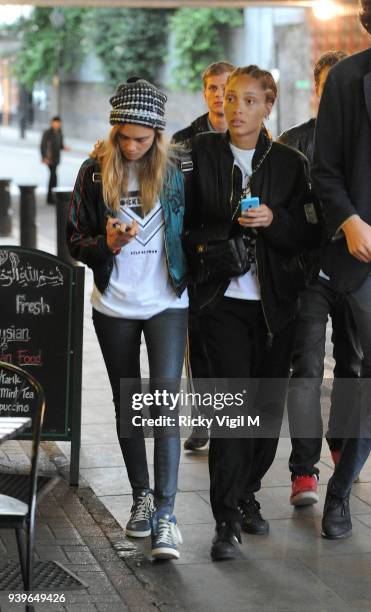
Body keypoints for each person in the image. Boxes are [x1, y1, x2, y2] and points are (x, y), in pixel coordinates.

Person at [186, 65, 320, 560]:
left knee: (263, 416)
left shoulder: (288, 162)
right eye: (230, 99)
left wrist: (274, 220)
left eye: (248, 101)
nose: (235, 108)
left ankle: (247, 495)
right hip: (220, 303)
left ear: (268, 106)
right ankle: (225, 520)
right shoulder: (201, 154)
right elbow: (186, 226)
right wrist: (220, 238)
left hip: (275, 307)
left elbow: (309, 233)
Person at [67, 78, 189, 559]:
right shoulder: (93, 172)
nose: (133, 147)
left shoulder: (178, 171)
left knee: (163, 404)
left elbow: (194, 228)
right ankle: (141, 497)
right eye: (125, 138)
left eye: (142, 139)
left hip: (166, 304)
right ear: (114, 132)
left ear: (158, 135)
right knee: (129, 405)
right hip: (113, 305)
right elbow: (75, 240)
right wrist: (107, 245)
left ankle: (166, 515)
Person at [278, 51, 363, 507]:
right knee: (306, 371)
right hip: (310, 274)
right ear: (317, 91)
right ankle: (304, 470)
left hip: (355, 272)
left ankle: (342, 448)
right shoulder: (293, 143)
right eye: (328, 88)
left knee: (351, 367)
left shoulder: (362, 140)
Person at [312, 0, 371, 539]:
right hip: (363, 258)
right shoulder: (349, 79)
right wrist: (351, 220)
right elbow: (325, 170)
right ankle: (338, 493)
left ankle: (340, 488)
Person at [173, 61, 235, 452]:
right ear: (204, 92)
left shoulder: (252, 135)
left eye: (224, 88)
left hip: (239, 254)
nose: (217, 95)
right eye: (211, 88)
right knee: (197, 343)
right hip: (197, 256)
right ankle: (202, 419)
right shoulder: (184, 140)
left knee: (233, 342)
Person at [40, 116, 68, 204]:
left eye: (58, 123)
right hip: (50, 158)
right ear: (52, 123)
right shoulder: (47, 133)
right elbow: (43, 145)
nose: (57, 124)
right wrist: (44, 157)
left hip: (56, 159)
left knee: (54, 177)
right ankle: (50, 198)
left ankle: (52, 197)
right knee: (53, 177)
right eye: (55, 123)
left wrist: (64, 147)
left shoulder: (60, 133)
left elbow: (60, 145)